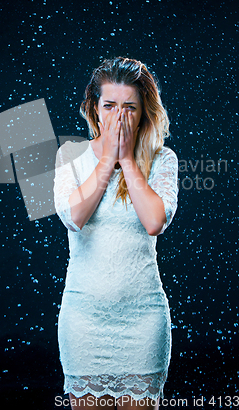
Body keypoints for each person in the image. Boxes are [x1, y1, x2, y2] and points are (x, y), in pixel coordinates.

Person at [53, 57, 178, 409]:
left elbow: (155, 221)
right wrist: (108, 159)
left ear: (144, 113)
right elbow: (73, 217)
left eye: (129, 107)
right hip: (84, 320)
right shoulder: (71, 156)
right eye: (109, 106)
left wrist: (127, 160)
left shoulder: (162, 159)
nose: (118, 117)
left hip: (143, 320)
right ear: (95, 108)